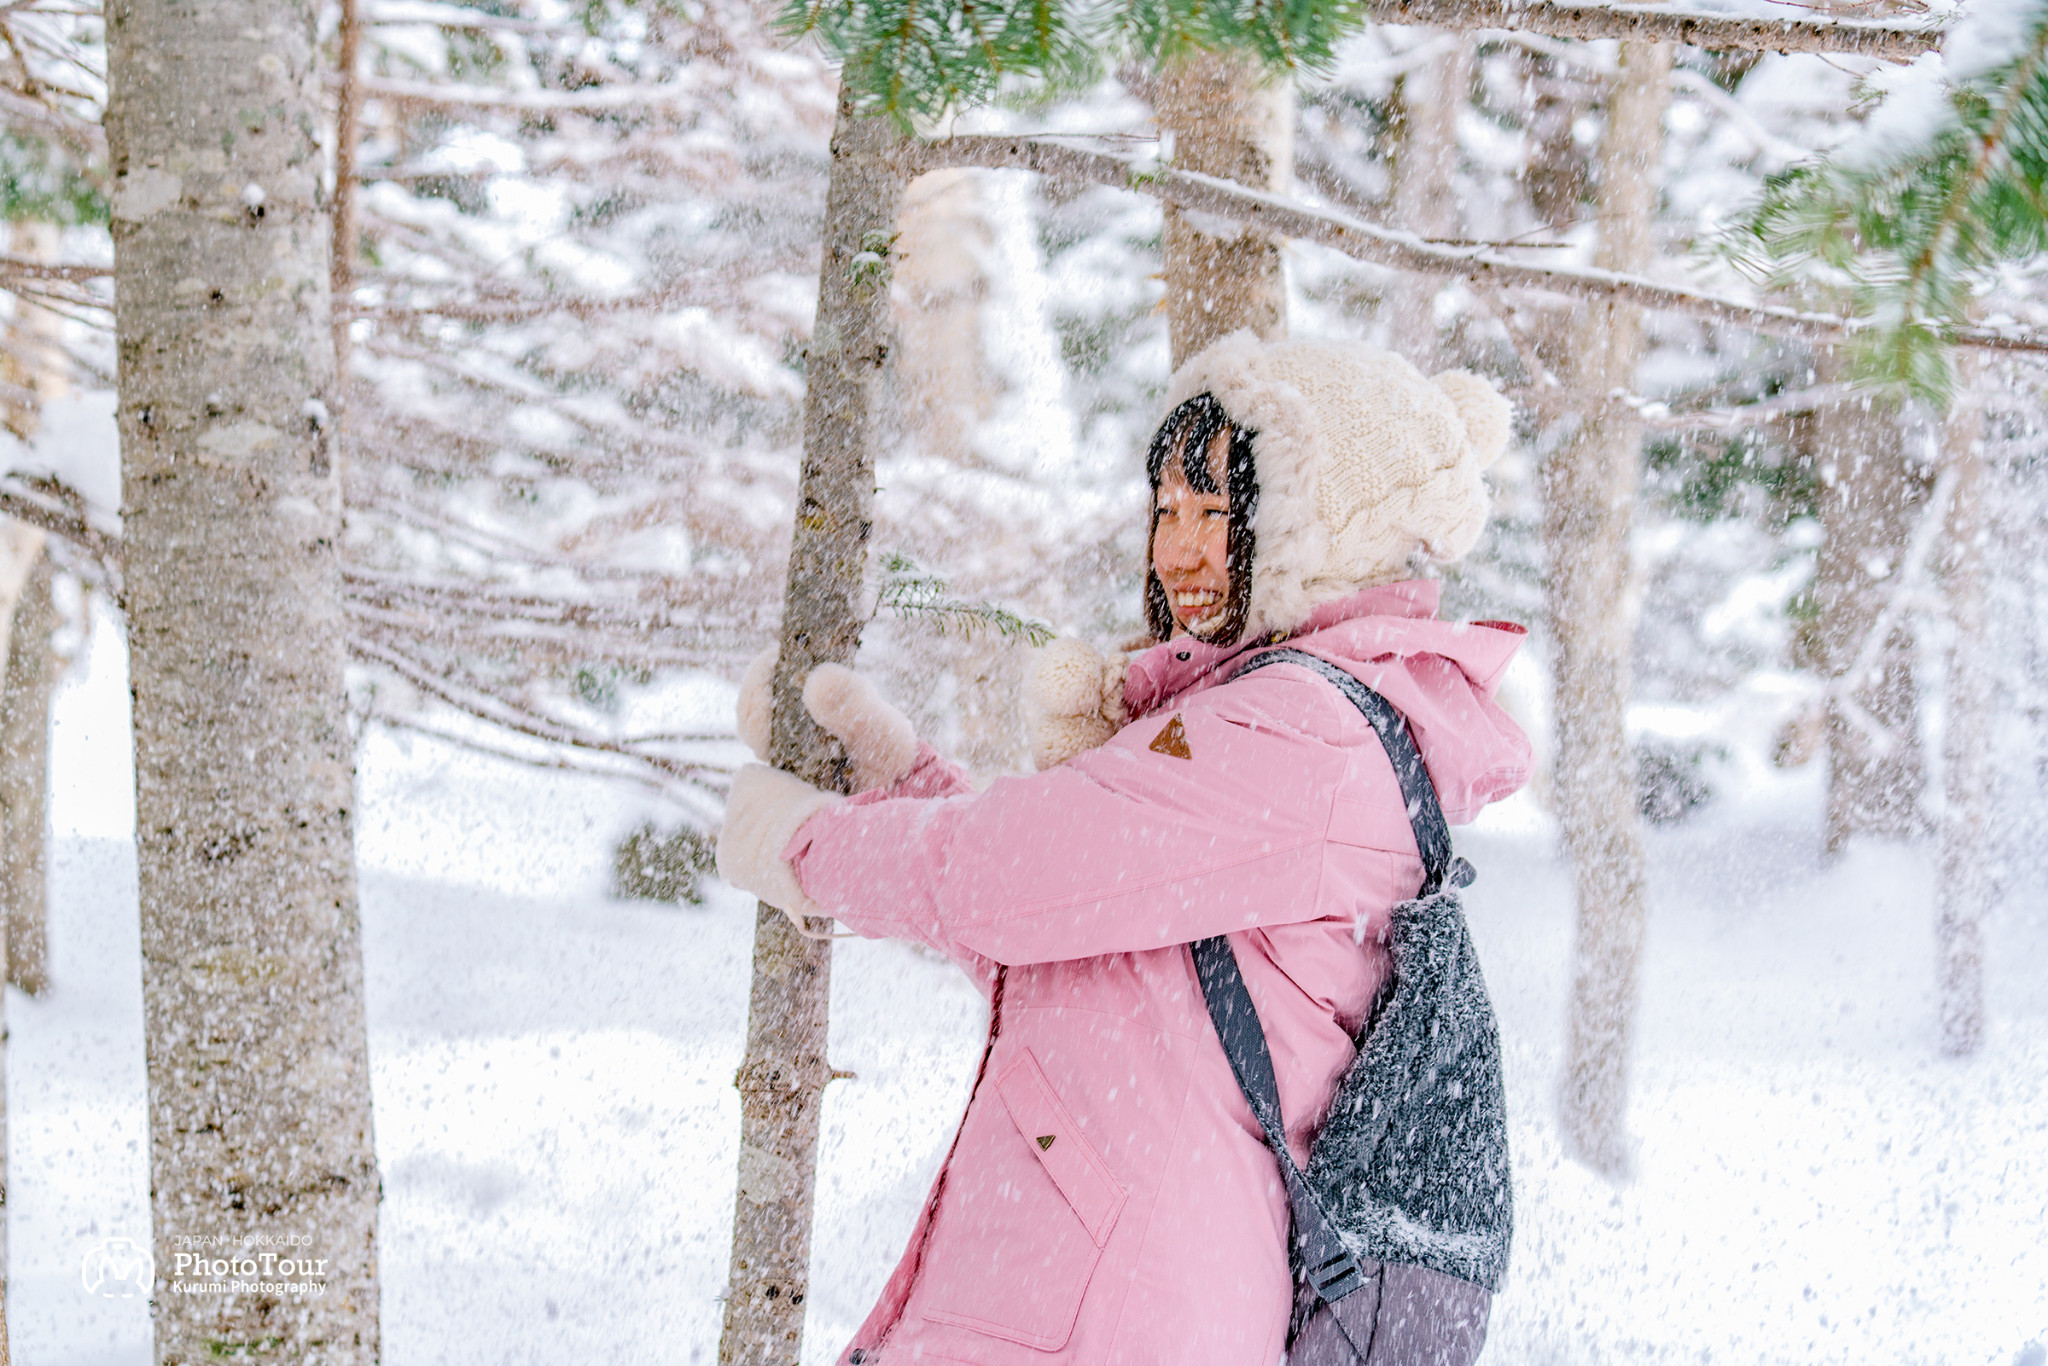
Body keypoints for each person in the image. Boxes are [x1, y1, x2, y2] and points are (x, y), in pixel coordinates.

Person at [717, 332, 1533, 1365]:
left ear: (1314, 527)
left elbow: (1011, 878)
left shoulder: (1298, 732)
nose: (1176, 549)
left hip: (1116, 1303)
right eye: (1165, 510)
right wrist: (897, 784)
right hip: (1087, 1287)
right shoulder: (1266, 722)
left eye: (1217, 513)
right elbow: (1088, 961)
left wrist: (803, 845)